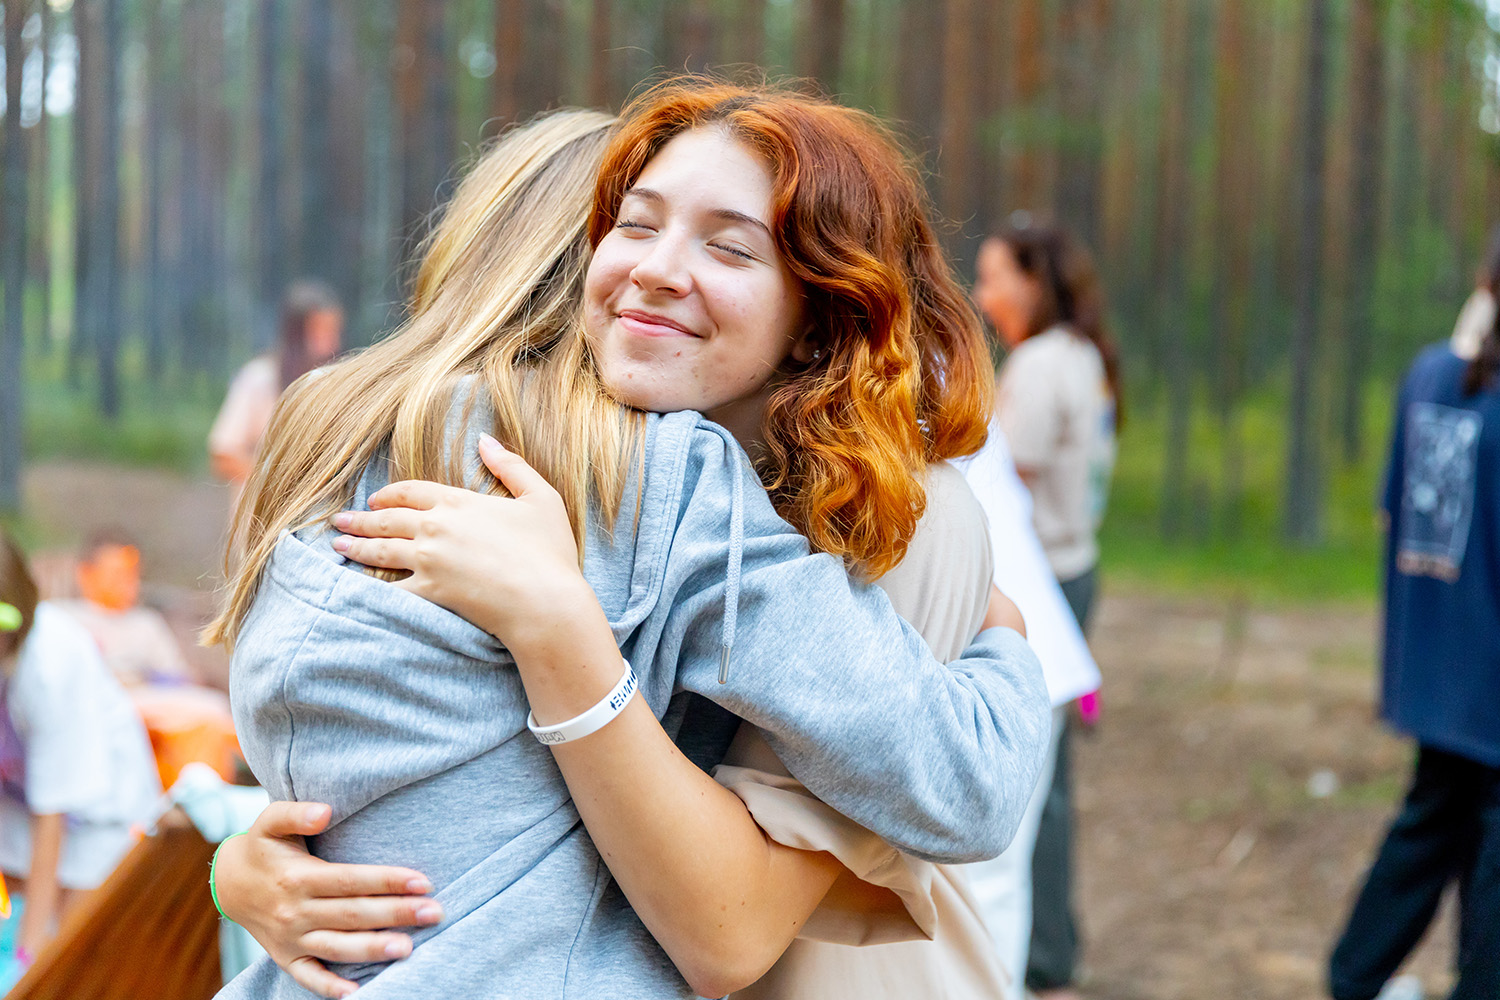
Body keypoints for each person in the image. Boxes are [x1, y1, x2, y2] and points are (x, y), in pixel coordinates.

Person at [206, 90, 1050, 1000]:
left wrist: (560, 632)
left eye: (729, 247)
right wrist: (1011, 645)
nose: (655, 269)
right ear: (581, 260)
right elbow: (970, 782)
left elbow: (732, 925)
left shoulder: (323, 428)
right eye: (634, 224)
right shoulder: (664, 475)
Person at [1326, 247, 1500, 1000]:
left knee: (1432, 822)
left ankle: (1354, 974)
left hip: (1435, 664)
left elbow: (1391, 512)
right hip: (1489, 669)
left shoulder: (1429, 375)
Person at [968, 218, 1122, 1000]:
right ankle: (1052, 949)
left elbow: (1001, 479)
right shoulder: (1085, 355)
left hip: (1042, 579)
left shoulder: (1036, 366)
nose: (982, 296)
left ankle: (1047, 959)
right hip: (1077, 566)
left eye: (993, 278)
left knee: (1037, 779)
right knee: (1051, 775)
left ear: (1034, 282)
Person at [0, 530, 161, 974]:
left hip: (97, 811)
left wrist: (29, 958)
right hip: (18, 800)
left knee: (70, 953)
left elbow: (52, 815)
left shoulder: (52, 661)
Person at [208, 280, 345, 488]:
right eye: (320, 332)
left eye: (334, 331)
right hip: (265, 506)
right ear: (295, 334)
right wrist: (278, 486)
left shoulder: (334, 383)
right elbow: (223, 455)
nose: (331, 344)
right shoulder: (259, 378)